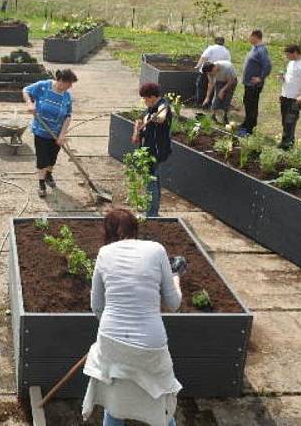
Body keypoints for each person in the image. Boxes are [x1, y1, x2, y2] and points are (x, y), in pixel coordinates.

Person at [82, 208, 183, 426]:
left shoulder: (104, 253)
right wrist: (175, 276)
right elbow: (174, 304)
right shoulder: (157, 250)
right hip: (151, 346)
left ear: (106, 233)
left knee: (114, 400)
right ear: (135, 229)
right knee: (161, 402)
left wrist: (114, 330)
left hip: (110, 341)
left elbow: (96, 306)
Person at [22, 69, 77, 198]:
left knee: (52, 158)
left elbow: (68, 116)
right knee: (42, 158)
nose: (71, 86)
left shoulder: (66, 96)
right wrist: (30, 104)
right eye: (69, 83)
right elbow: (26, 90)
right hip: (41, 131)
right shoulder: (44, 86)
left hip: (57, 133)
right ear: (61, 81)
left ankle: (48, 175)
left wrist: (62, 135)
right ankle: (41, 184)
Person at [131, 83, 172, 217]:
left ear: (153, 97)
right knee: (155, 179)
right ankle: (153, 210)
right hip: (147, 149)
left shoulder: (162, 105)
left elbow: (162, 117)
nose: (144, 101)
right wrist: (136, 133)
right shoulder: (150, 107)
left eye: (146, 98)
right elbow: (139, 120)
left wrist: (156, 117)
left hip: (156, 151)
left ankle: (151, 213)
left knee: (151, 182)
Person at [278, 44, 301, 149]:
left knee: (290, 121)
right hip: (285, 95)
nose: (287, 57)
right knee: (284, 121)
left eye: (288, 55)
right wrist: (282, 78)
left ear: (295, 52)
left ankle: (286, 145)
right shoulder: (291, 63)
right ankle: (286, 141)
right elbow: (290, 78)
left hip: (295, 98)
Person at [238, 29, 272, 136]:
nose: (248, 39)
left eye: (249, 36)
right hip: (248, 83)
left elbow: (267, 65)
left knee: (252, 105)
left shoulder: (261, 50)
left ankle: (249, 128)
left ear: (255, 36)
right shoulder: (255, 48)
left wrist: (260, 78)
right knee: (247, 103)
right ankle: (246, 123)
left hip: (254, 84)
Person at [194, 36, 230, 105]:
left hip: (206, 70)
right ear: (223, 42)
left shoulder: (211, 48)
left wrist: (197, 66)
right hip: (217, 72)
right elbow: (227, 63)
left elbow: (203, 58)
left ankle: (199, 102)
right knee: (213, 88)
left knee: (201, 86)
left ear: (215, 41)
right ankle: (209, 103)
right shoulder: (226, 51)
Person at [201, 59, 238, 124]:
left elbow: (231, 81)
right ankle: (213, 116)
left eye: (210, 73)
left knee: (227, 98)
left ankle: (225, 116)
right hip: (220, 81)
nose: (210, 75)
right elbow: (210, 84)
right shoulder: (209, 70)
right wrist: (207, 97)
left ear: (214, 68)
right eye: (208, 74)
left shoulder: (227, 68)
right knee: (216, 97)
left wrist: (222, 91)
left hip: (231, 81)